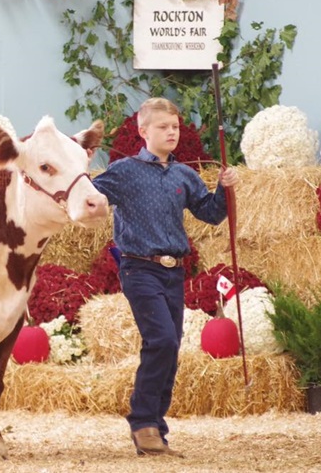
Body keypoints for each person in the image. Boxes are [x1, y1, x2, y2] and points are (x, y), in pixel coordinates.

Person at [90, 98, 238, 457]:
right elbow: (88, 197)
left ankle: (156, 428)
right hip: (139, 267)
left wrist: (225, 188)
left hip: (174, 272)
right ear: (143, 132)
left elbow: (211, 214)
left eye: (175, 127)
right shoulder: (123, 171)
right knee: (162, 341)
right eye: (162, 127)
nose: (171, 132)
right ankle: (143, 423)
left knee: (169, 350)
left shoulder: (184, 175)